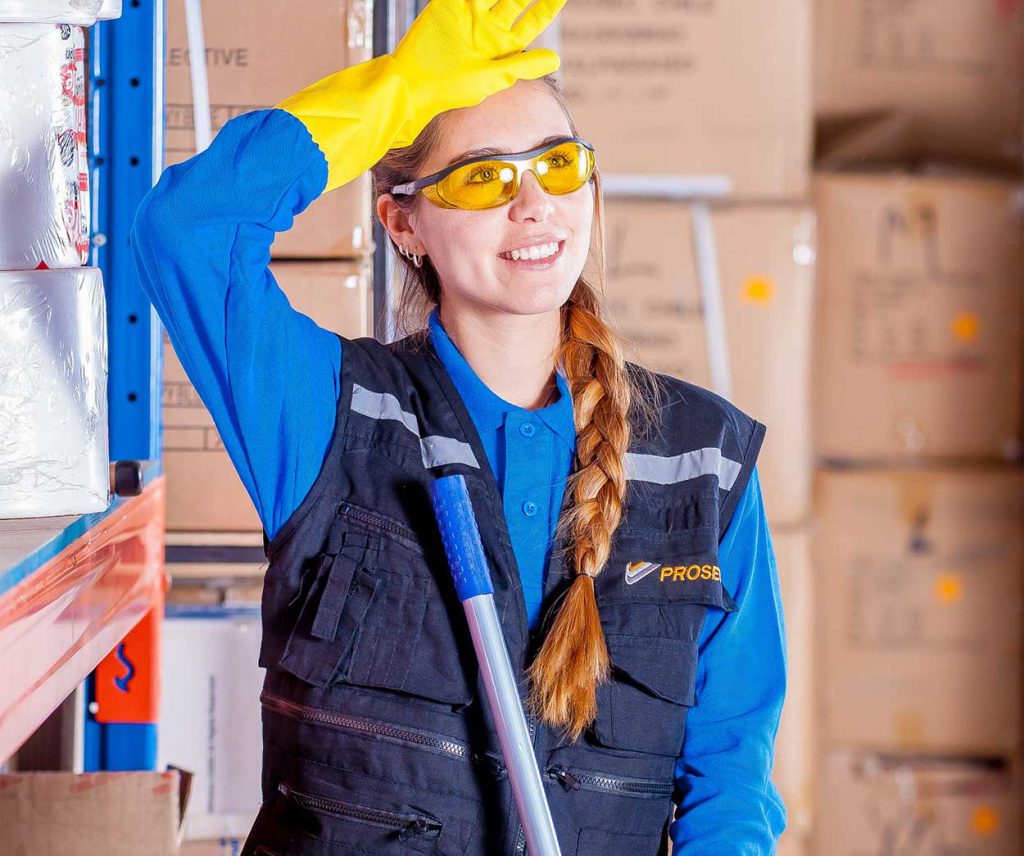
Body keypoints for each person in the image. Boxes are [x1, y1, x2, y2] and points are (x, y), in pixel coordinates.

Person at [130, 0, 788, 852]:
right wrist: (395, 92)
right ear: (403, 223)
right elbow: (189, 228)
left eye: (556, 166)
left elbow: (731, 772)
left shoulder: (704, 462)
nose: (533, 205)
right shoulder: (327, 413)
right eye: (483, 176)